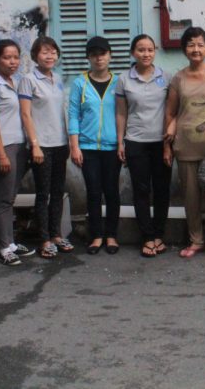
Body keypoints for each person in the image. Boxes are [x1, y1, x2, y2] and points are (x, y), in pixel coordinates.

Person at [164, 27, 205, 260]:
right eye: (191, 44)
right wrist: (166, 146)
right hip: (185, 146)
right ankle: (196, 240)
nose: (196, 49)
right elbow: (170, 113)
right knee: (190, 198)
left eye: (200, 45)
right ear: (184, 49)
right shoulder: (178, 78)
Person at [116, 34, 172, 258]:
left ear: (155, 51)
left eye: (150, 50)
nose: (146, 54)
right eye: (141, 50)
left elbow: (171, 110)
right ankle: (147, 237)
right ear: (133, 53)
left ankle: (159, 234)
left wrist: (170, 139)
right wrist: (121, 142)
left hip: (162, 143)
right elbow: (121, 113)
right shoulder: (124, 79)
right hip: (136, 141)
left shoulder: (165, 77)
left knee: (162, 190)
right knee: (141, 191)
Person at [0, 39, 35, 265]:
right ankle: (4, 247)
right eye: (7, 57)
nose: (12, 62)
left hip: (19, 145)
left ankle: (10, 242)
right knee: (4, 199)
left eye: (16, 57)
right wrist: (1, 153)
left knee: (10, 197)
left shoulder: (14, 81)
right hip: (3, 148)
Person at [19, 36, 72, 259]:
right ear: (34, 56)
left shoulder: (57, 78)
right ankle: (44, 239)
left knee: (58, 192)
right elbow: (25, 114)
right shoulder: (28, 80)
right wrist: (35, 145)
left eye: (52, 52)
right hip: (41, 145)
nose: (49, 56)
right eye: (44, 52)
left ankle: (57, 234)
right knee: (43, 193)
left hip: (60, 143)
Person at [69, 36, 121, 255]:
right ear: (88, 58)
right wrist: (74, 146)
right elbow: (73, 114)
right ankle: (96, 236)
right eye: (94, 54)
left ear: (110, 55)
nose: (99, 58)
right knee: (93, 192)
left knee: (112, 192)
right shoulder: (79, 83)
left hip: (112, 147)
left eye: (102, 53)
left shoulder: (119, 82)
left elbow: (124, 114)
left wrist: (122, 143)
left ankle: (111, 236)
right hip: (88, 148)